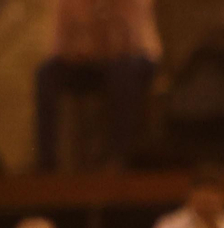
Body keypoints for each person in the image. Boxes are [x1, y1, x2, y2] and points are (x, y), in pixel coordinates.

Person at [34, 0, 161, 172]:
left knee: (122, 71)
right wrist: (78, 52)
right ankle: (46, 161)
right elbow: (59, 48)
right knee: (46, 73)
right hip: (93, 64)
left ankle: (119, 156)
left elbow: (130, 43)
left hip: (136, 59)